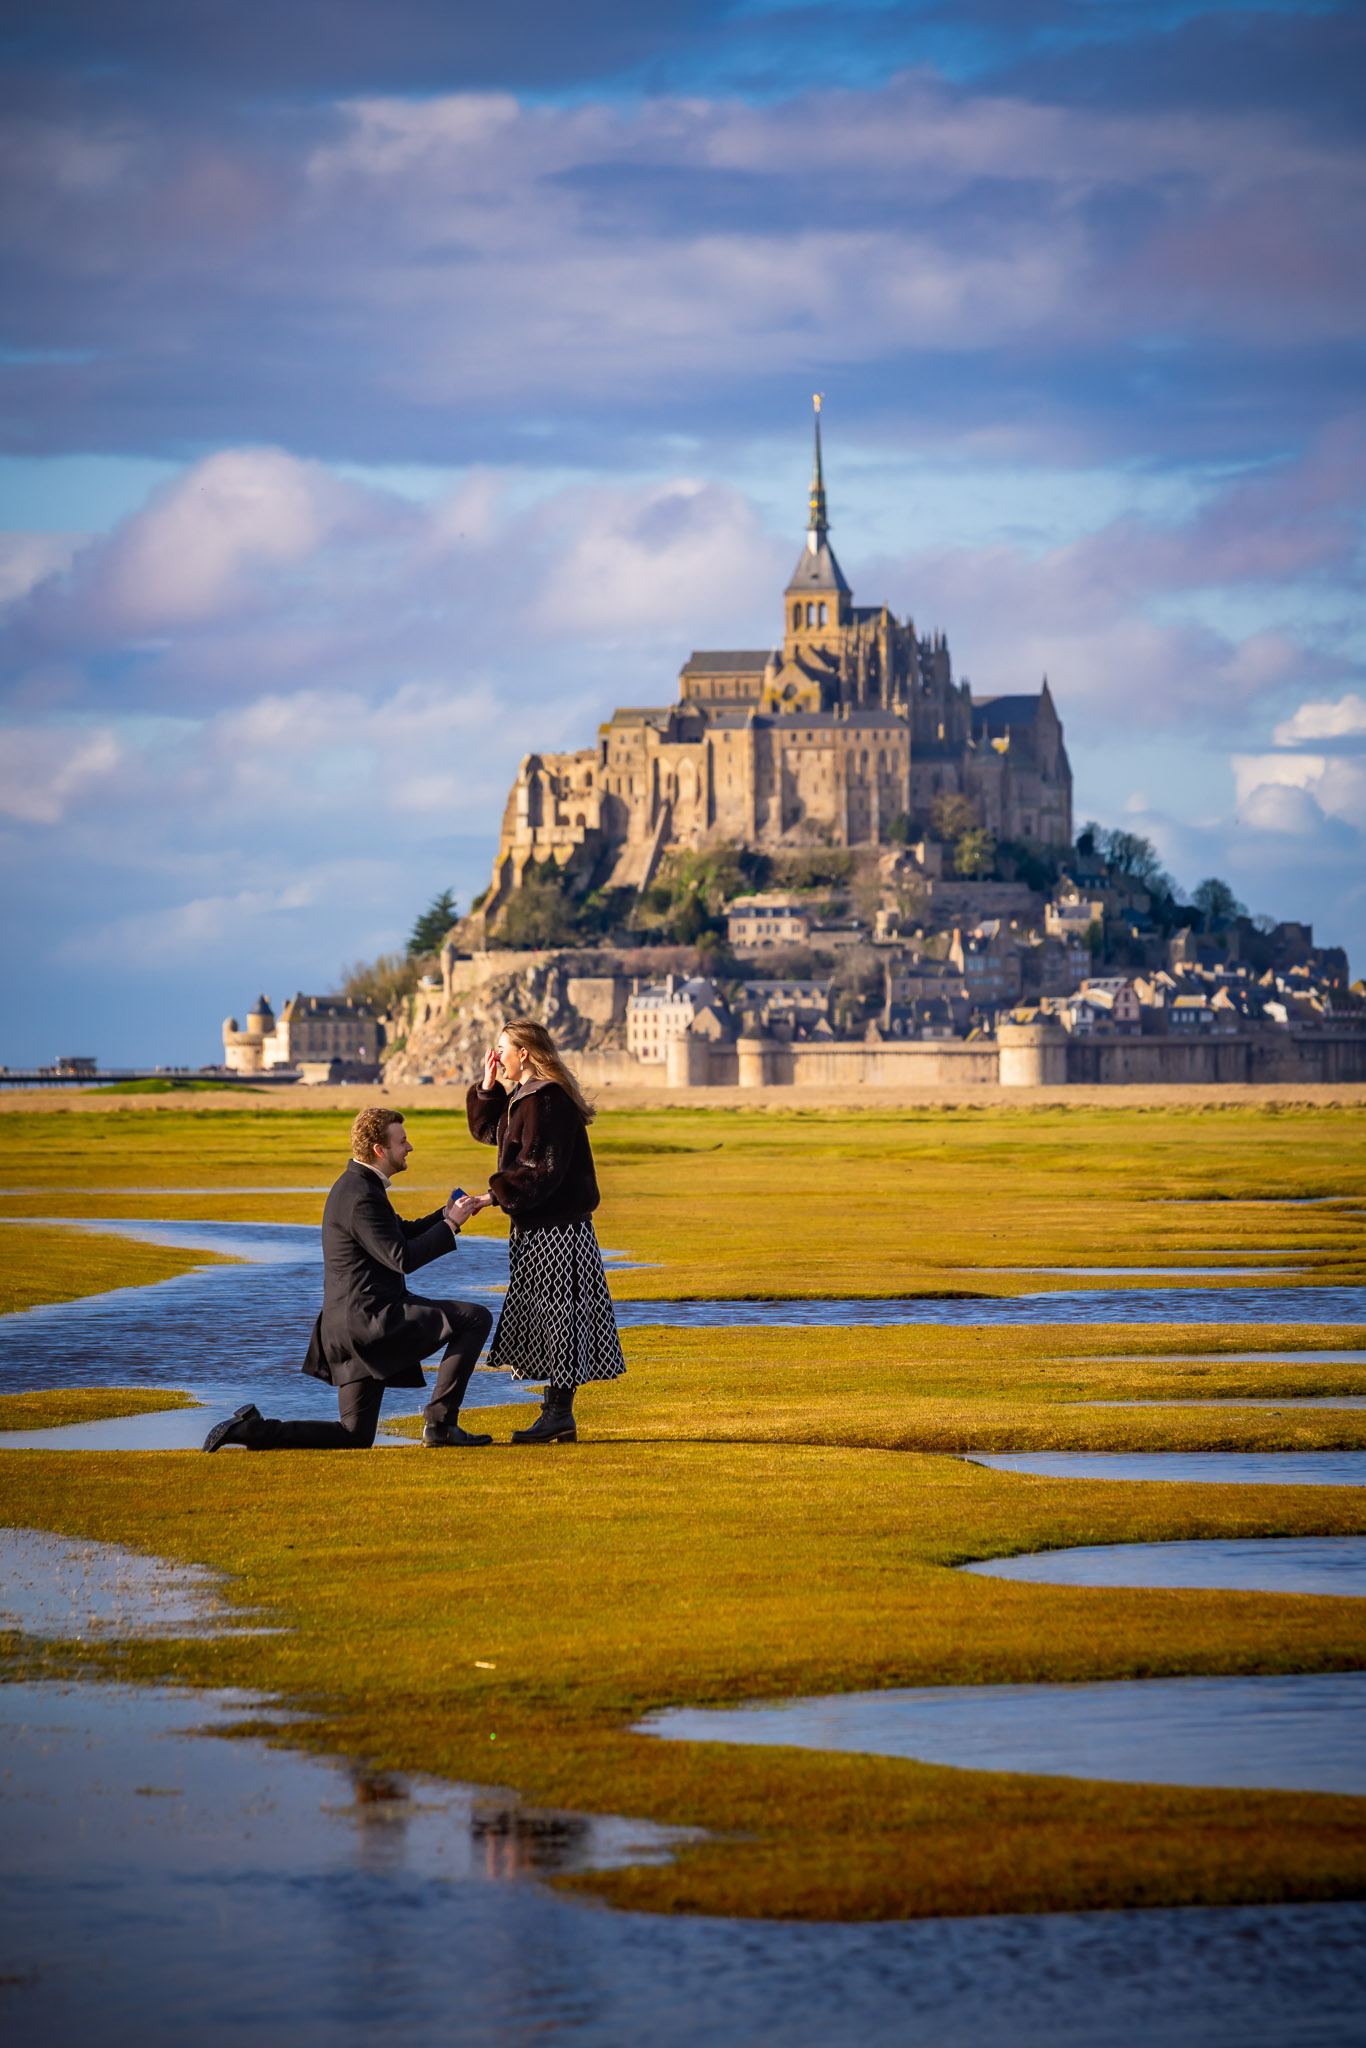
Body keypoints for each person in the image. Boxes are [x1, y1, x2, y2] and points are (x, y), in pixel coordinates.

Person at [202, 1106, 495, 1451]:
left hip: (348, 1324)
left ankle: (255, 1431)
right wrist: (451, 1225)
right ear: (379, 1149)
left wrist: (445, 1214)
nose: (410, 1147)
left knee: (354, 1436)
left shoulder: (359, 1186)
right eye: (402, 1141)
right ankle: (442, 1423)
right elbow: (402, 1257)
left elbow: (399, 1233)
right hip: (371, 1322)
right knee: (475, 1318)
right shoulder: (360, 1195)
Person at [467, 1019, 625, 1444]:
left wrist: (493, 1196)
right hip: (540, 1226)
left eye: (502, 1049)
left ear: (525, 1053)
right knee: (551, 1317)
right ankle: (557, 1415)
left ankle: (557, 1415)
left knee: (561, 1319)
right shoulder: (527, 1096)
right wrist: (487, 1085)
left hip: (558, 1229)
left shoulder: (548, 1100)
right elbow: (491, 1133)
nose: (495, 1056)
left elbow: (540, 1169)